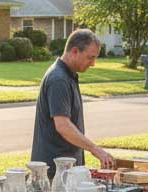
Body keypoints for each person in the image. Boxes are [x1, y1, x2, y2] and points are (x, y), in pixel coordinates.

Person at [31, 28, 115, 177]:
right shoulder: (59, 79)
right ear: (75, 51)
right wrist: (95, 149)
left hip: (67, 168)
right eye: (90, 57)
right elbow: (63, 125)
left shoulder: (69, 75)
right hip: (54, 172)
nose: (93, 63)